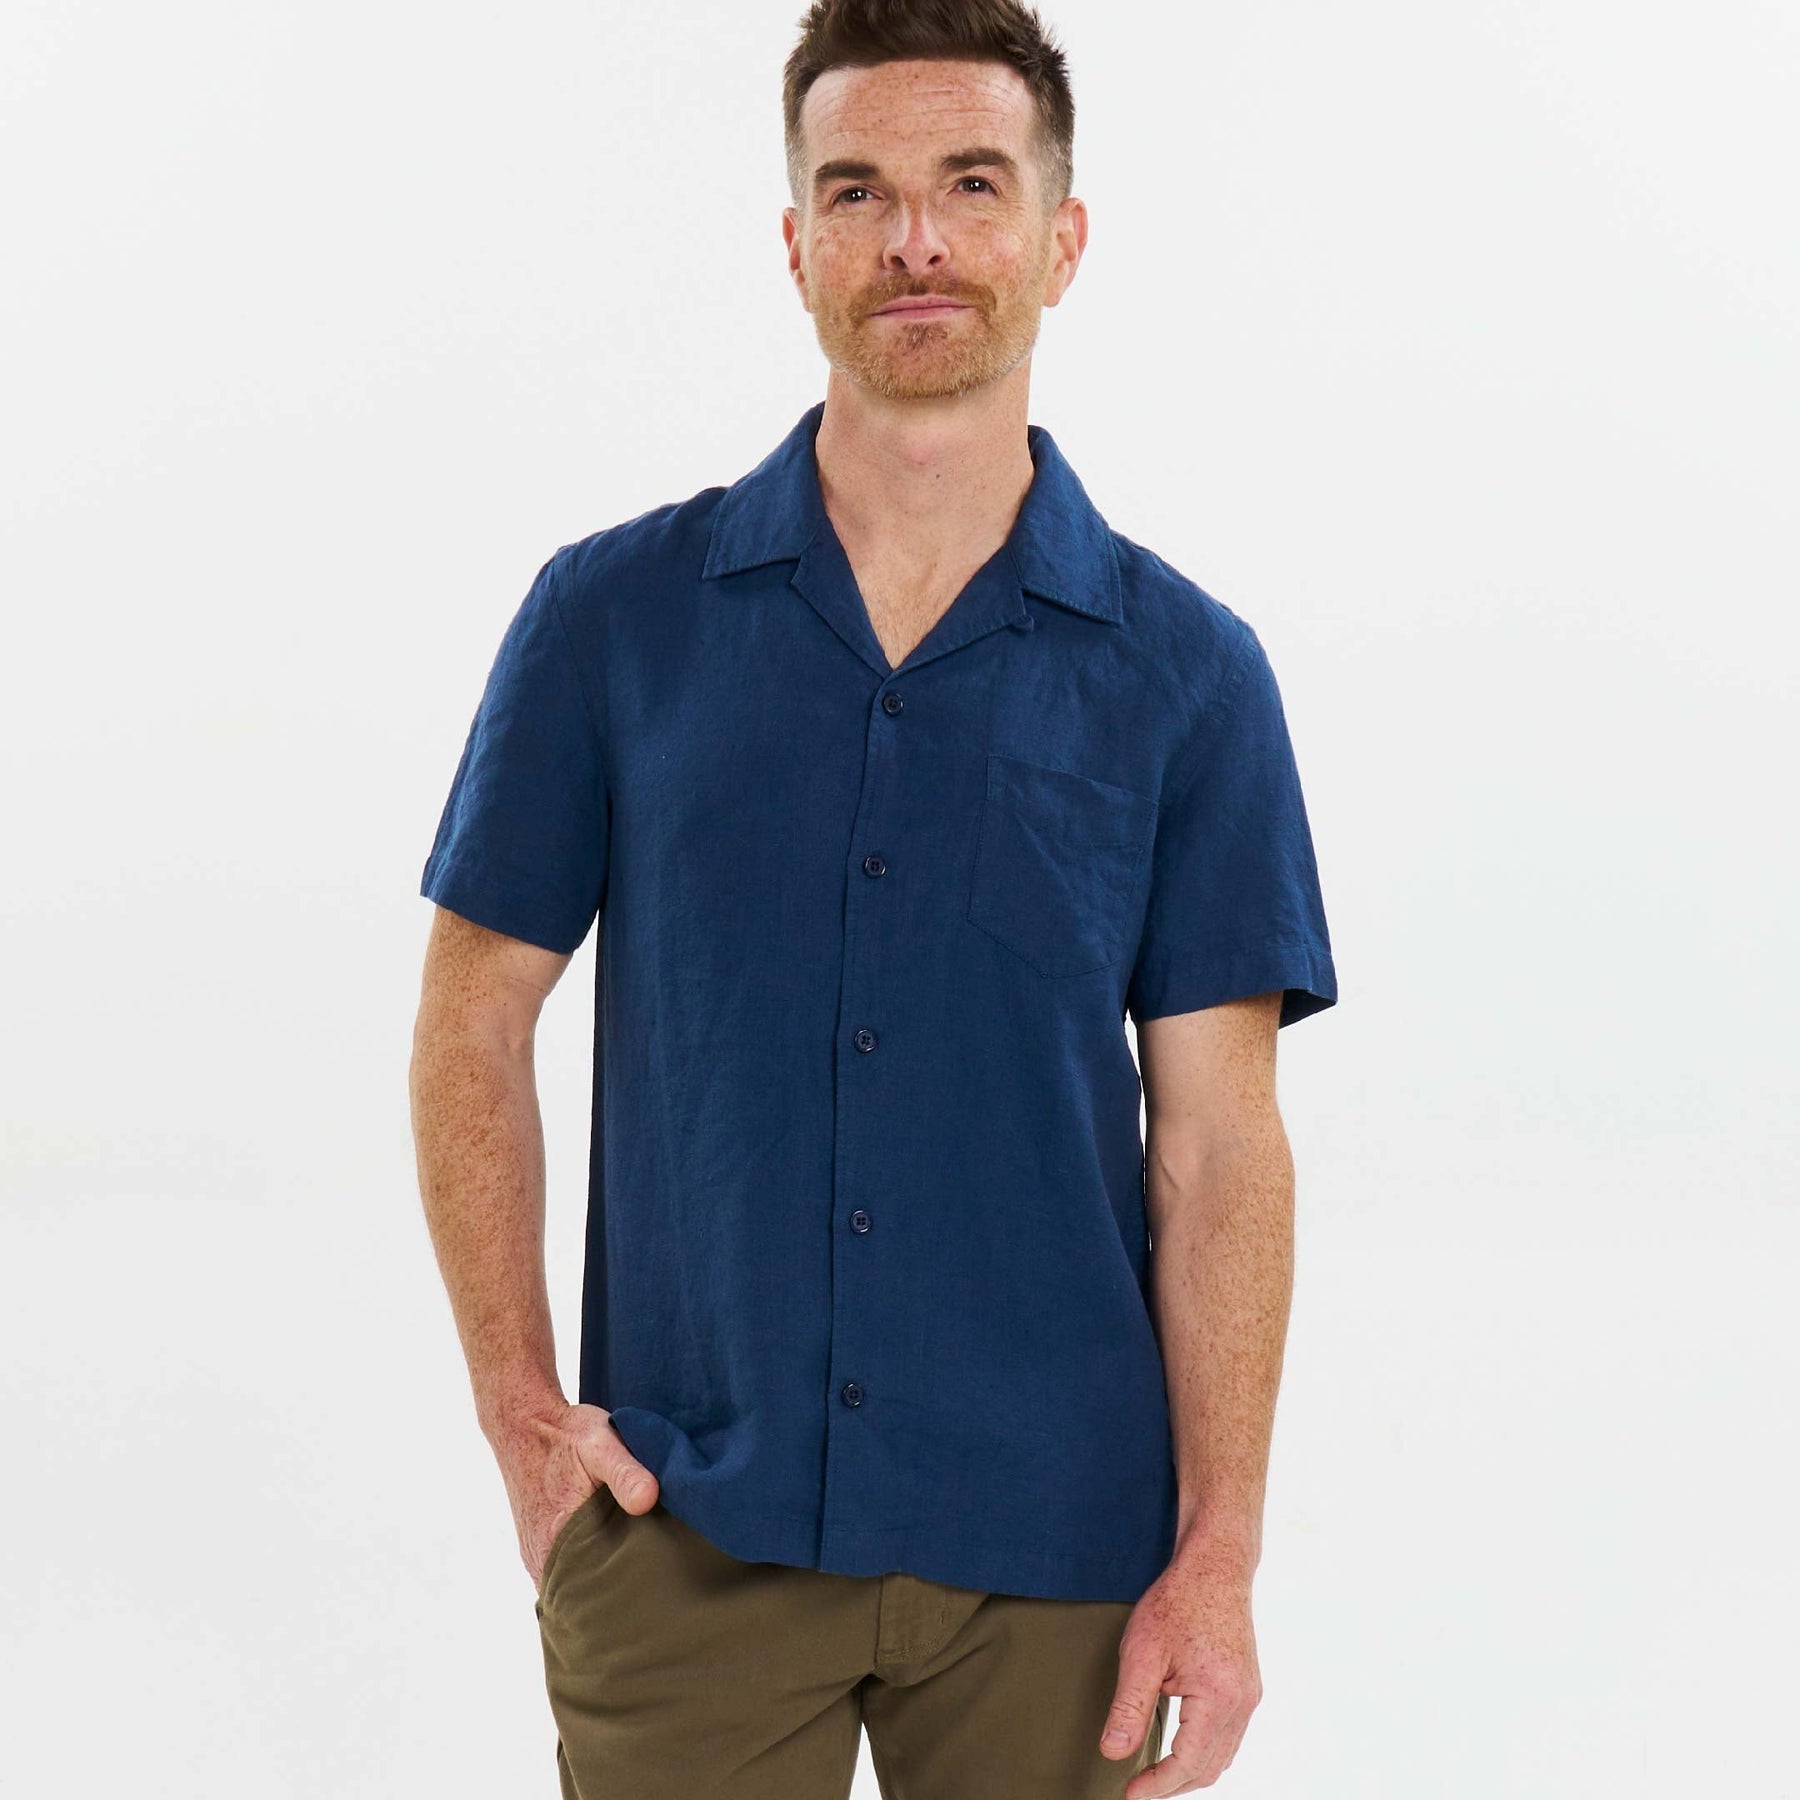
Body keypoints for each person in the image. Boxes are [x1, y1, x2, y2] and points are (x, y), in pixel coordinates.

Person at [408, 2, 1337, 1794]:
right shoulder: (611, 621)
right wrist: (522, 1419)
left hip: (1060, 1559)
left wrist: (1218, 1555)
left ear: (1062, 239)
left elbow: (1223, 1146)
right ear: (796, 243)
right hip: (686, 1531)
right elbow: (469, 1018)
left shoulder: (1191, 677)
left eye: (973, 185)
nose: (917, 239)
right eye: (859, 191)